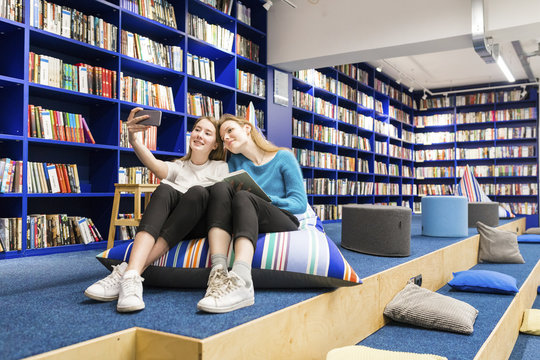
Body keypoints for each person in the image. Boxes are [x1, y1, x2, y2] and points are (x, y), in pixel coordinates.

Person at [84, 107, 228, 312]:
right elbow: (153, 164)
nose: (199, 135)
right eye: (196, 129)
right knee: (164, 189)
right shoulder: (179, 166)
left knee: (197, 193)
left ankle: (126, 270)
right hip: (173, 225)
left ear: (215, 144)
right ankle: (132, 276)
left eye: (207, 132)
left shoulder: (220, 167)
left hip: (199, 225)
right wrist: (134, 139)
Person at [197, 114, 308, 313]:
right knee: (222, 189)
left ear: (247, 128)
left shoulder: (283, 157)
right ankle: (219, 272)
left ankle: (242, 280)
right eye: (223, 138)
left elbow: (299, 203)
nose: (227, 139)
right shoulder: (234, 163)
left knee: (244, 197)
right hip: (247, 214)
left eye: (230, 130)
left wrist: (264, 199)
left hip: (281, 217)